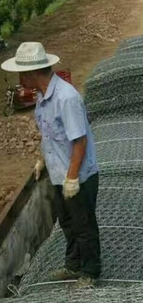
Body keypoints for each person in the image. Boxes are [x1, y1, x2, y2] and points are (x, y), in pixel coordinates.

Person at [1, 42, 101, 287]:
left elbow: (79, 141)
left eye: (21, 73)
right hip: (58, 173)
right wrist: (42, 160)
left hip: (79, 175)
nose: (19, 79)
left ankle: (90, 272)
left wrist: (73, 178)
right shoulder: (41, 97)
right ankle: (73, 265)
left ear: (32, 73)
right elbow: (50, 135)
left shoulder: (66, 98)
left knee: (83, 224)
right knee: (67, 222)